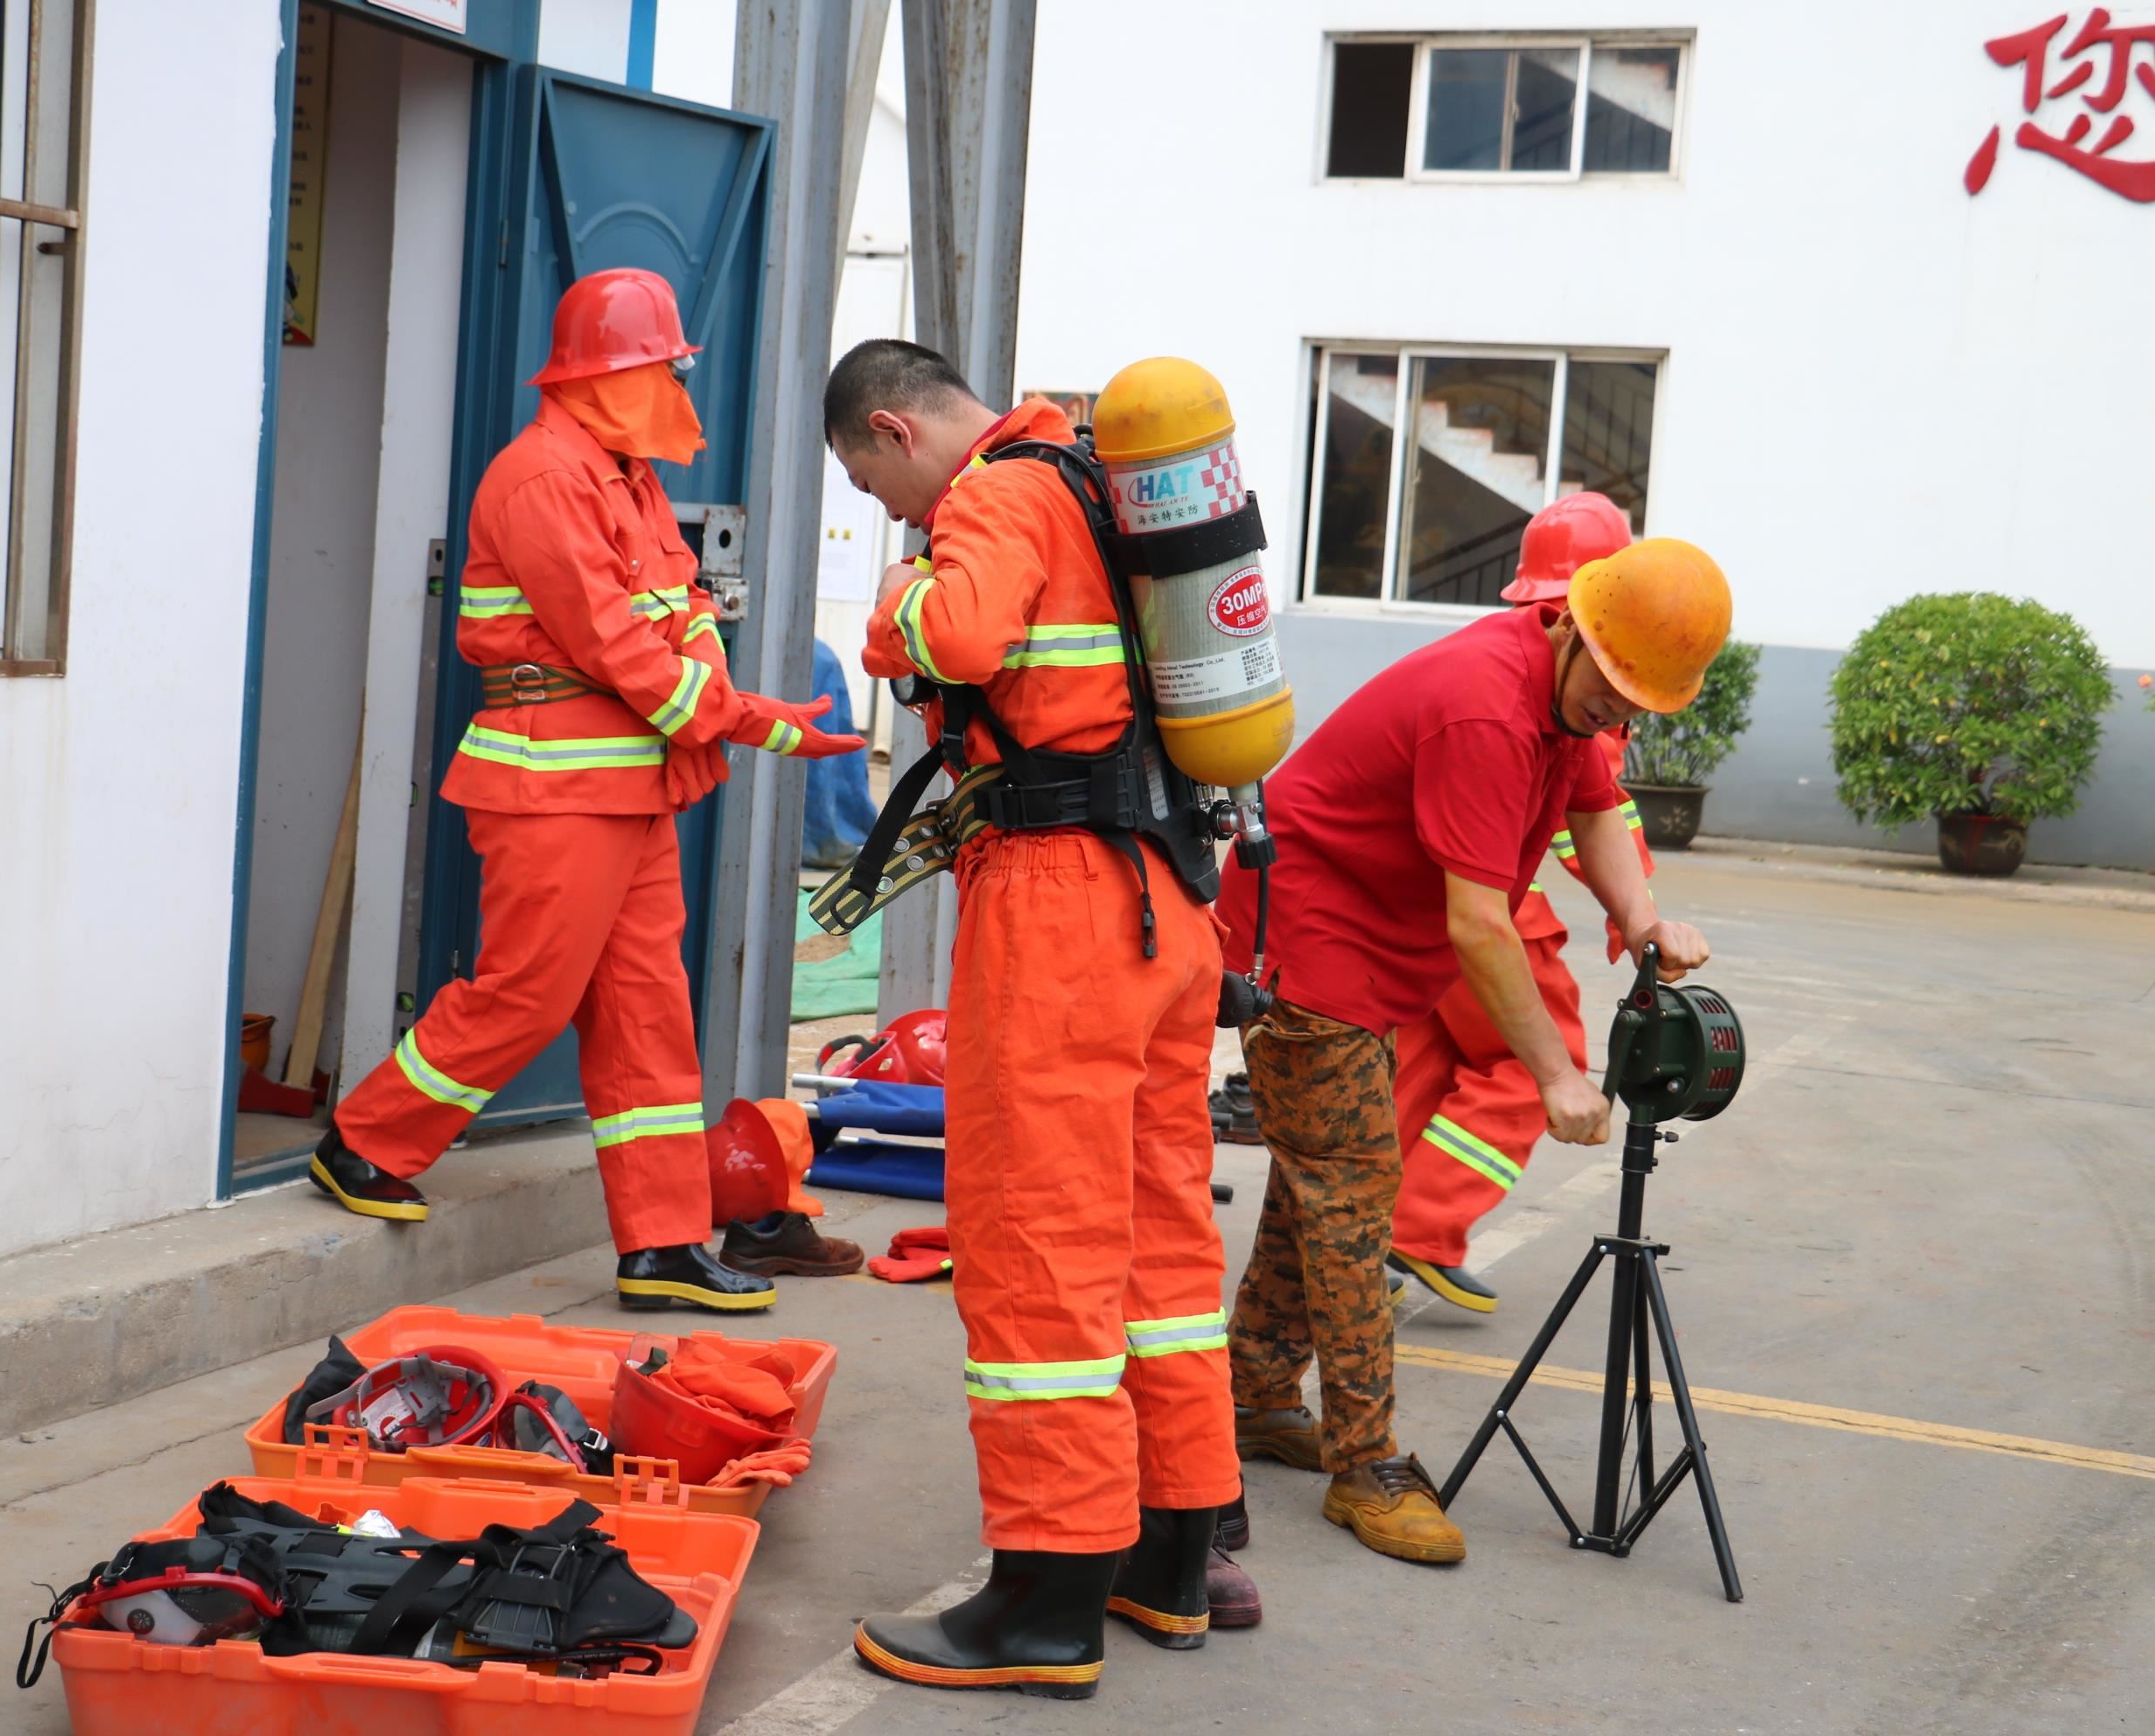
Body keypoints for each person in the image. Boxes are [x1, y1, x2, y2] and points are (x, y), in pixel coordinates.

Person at [310, 267, 864, 1315]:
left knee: (650, 1015)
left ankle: (660, 1243)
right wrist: (745, 718)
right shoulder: (541, 478)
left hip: (624, 784)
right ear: (613, 375)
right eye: (662, 370)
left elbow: (685, 605)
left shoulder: (627, 475)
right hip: (553, 782)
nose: (675, 393)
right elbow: (614, 642)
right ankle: (366, 1139)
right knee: (528, 990)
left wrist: (718, 699)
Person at [824, 339, 1249, 1698]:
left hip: (1065, 904)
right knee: (1160, 1237)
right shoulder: (1097, 481)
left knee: (1036, 1237)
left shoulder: (999, 494)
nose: (895, 517)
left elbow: (955, 638)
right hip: (1172, 901)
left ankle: (1046, 1596)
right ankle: (1171, 1557)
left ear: (896, 430)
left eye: (877, 487)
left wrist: (896, 594)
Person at [1217, 536, 1732, 1566]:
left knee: (1319, 1180)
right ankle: (1365, 1465)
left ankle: (1256, 1395)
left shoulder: (1563, 694)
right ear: (1570, 627)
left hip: (1368, 942)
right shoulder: (1486, 707)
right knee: (1357, 1192)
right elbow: (1481, 925)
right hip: (1307, 938)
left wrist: (1642, 920)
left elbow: (1595, 810)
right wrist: (1555, 1074)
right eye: (1615, 689)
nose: (1616, 716)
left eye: (1639, 702)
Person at [1388, 493, 1655, 1312]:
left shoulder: (1506, 648)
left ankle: (1365, 1236)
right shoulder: (1583, 676)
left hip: (1419, 909)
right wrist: (1634, 915)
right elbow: (1588, 816)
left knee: (1422, 1068)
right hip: (1494, 911)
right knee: (1534, 1065)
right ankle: (1418, 1232)